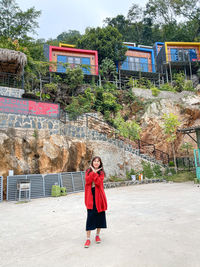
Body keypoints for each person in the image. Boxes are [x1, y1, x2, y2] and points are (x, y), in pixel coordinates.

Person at [84, 156, 107, 248]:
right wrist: (93, 172)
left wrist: (95, 173)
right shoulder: (88, 171)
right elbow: (88, 181)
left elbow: (98, 182)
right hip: (90, 196)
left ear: (100, 163)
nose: (96, 163)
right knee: (90, 217)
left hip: (99, 197)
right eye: (95, 161)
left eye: (98, 161)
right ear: (92, 162)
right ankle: (88, 239)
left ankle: (97, 236)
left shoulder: (102, 173)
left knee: (100, 216)